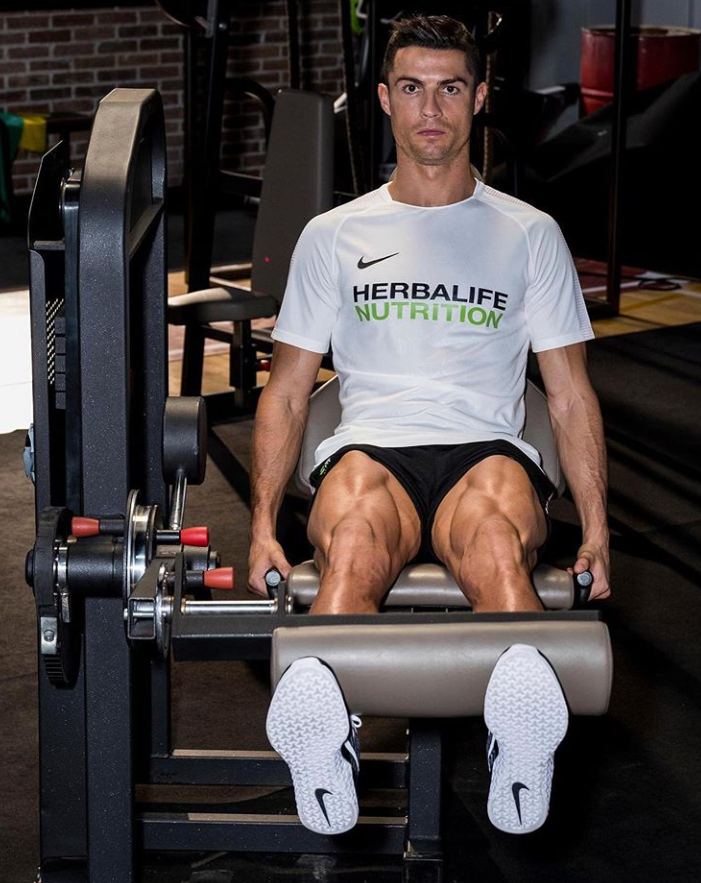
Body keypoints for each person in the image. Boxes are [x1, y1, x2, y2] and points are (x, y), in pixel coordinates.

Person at [249, 14, 610, 836]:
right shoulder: (332, 236)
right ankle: (326, 734)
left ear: (479, 98)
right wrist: (263, 525)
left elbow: (568, 396)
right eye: (412, 88)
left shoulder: (529, 233)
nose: (431, 109)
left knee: (495, 538)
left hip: (488, 447)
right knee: (351, 540)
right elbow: (289, 392)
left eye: (450, 88)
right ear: (384, 99)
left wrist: (597, 530)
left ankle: (519, 739)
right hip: (369, 446)